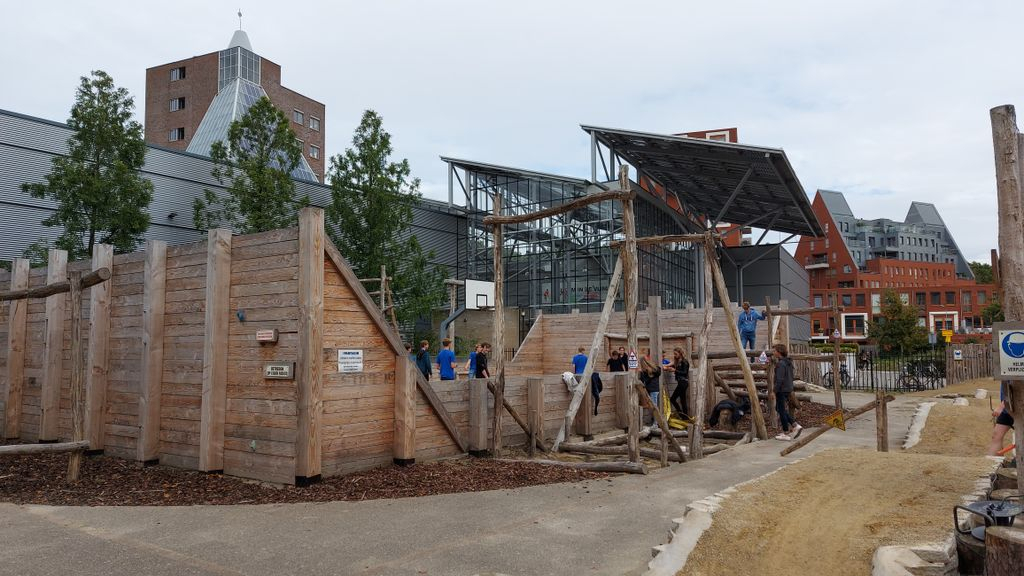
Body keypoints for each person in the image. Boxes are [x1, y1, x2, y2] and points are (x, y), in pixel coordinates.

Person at [772, 344, 802, 441]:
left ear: (779, 352)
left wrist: (774, 390)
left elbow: (780, 379)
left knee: (781, 410)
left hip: (781, 389)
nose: (773, 352)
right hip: (788, 388)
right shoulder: (788, 362)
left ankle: (786, 432)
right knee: (779, 408)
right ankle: (794, 425)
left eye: (775, 350)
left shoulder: (781, 364)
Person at [987, 383, 1015, 456]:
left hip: (1020, 409)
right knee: (996, 435)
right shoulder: (1003, 372)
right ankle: (994, 464)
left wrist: (1001, 406)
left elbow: (1018, 389)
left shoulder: (1016, 371)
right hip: (1007, 410)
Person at [638, 349, 663, 426]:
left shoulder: (645, 371)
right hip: (654, 389)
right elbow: (659, 371)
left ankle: (656, 423)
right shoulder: (655, 368)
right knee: (654, 406)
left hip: (652, 390)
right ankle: (655, 421)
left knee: (654, 407)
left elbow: (644, 381)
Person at [665, 347, 690, 417]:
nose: (674, 355)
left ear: (680, 353)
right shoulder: (678, 362)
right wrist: (666, 367)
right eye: (674, 354)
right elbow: (671, 365)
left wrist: (674, 370)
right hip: (681, 383)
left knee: (673, 399)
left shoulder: (684, 362)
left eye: (676, 354)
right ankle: (685, 417)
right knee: (683, 400)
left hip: (683, 383)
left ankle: (682, 415)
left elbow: (685, 373)